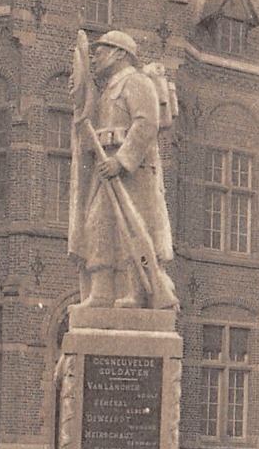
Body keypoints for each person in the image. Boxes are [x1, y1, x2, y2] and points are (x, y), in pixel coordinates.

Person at [68, 30, 177, 310]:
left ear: (119, 53)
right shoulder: (107, 89)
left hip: (134, 173)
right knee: (98, 224)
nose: (95, 58)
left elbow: (146, 124)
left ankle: (135, 292)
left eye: (100, 52)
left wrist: (122, 161)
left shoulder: (136, 82)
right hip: (106, 168)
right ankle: (102, 292)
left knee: (131, 229)